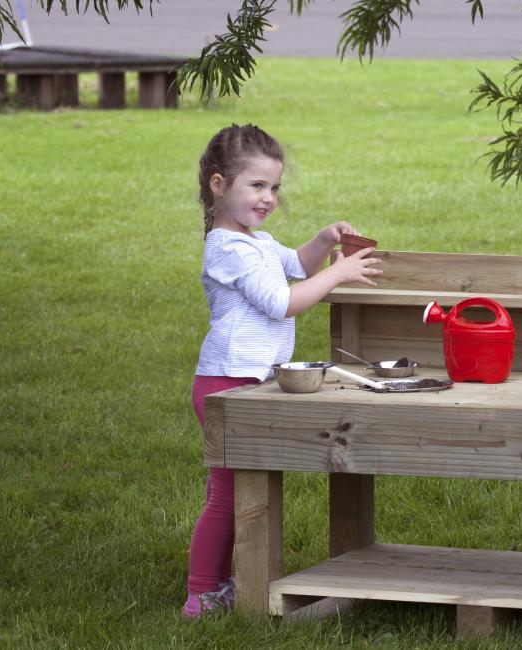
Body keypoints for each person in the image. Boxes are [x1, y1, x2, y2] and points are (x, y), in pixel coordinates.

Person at [182, 123, 382, 618]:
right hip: (227, 381)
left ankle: (226, 583)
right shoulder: (228, 247)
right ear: (218, 184)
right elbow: (280, 302)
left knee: (237, 489)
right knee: (226, 494)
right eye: (257, 185)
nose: (269, 197)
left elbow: (293, 265)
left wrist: (322, 241)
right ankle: (201, 594)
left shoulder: (258, 242)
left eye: (274, 187)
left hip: (249, 380)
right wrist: (338, 274)